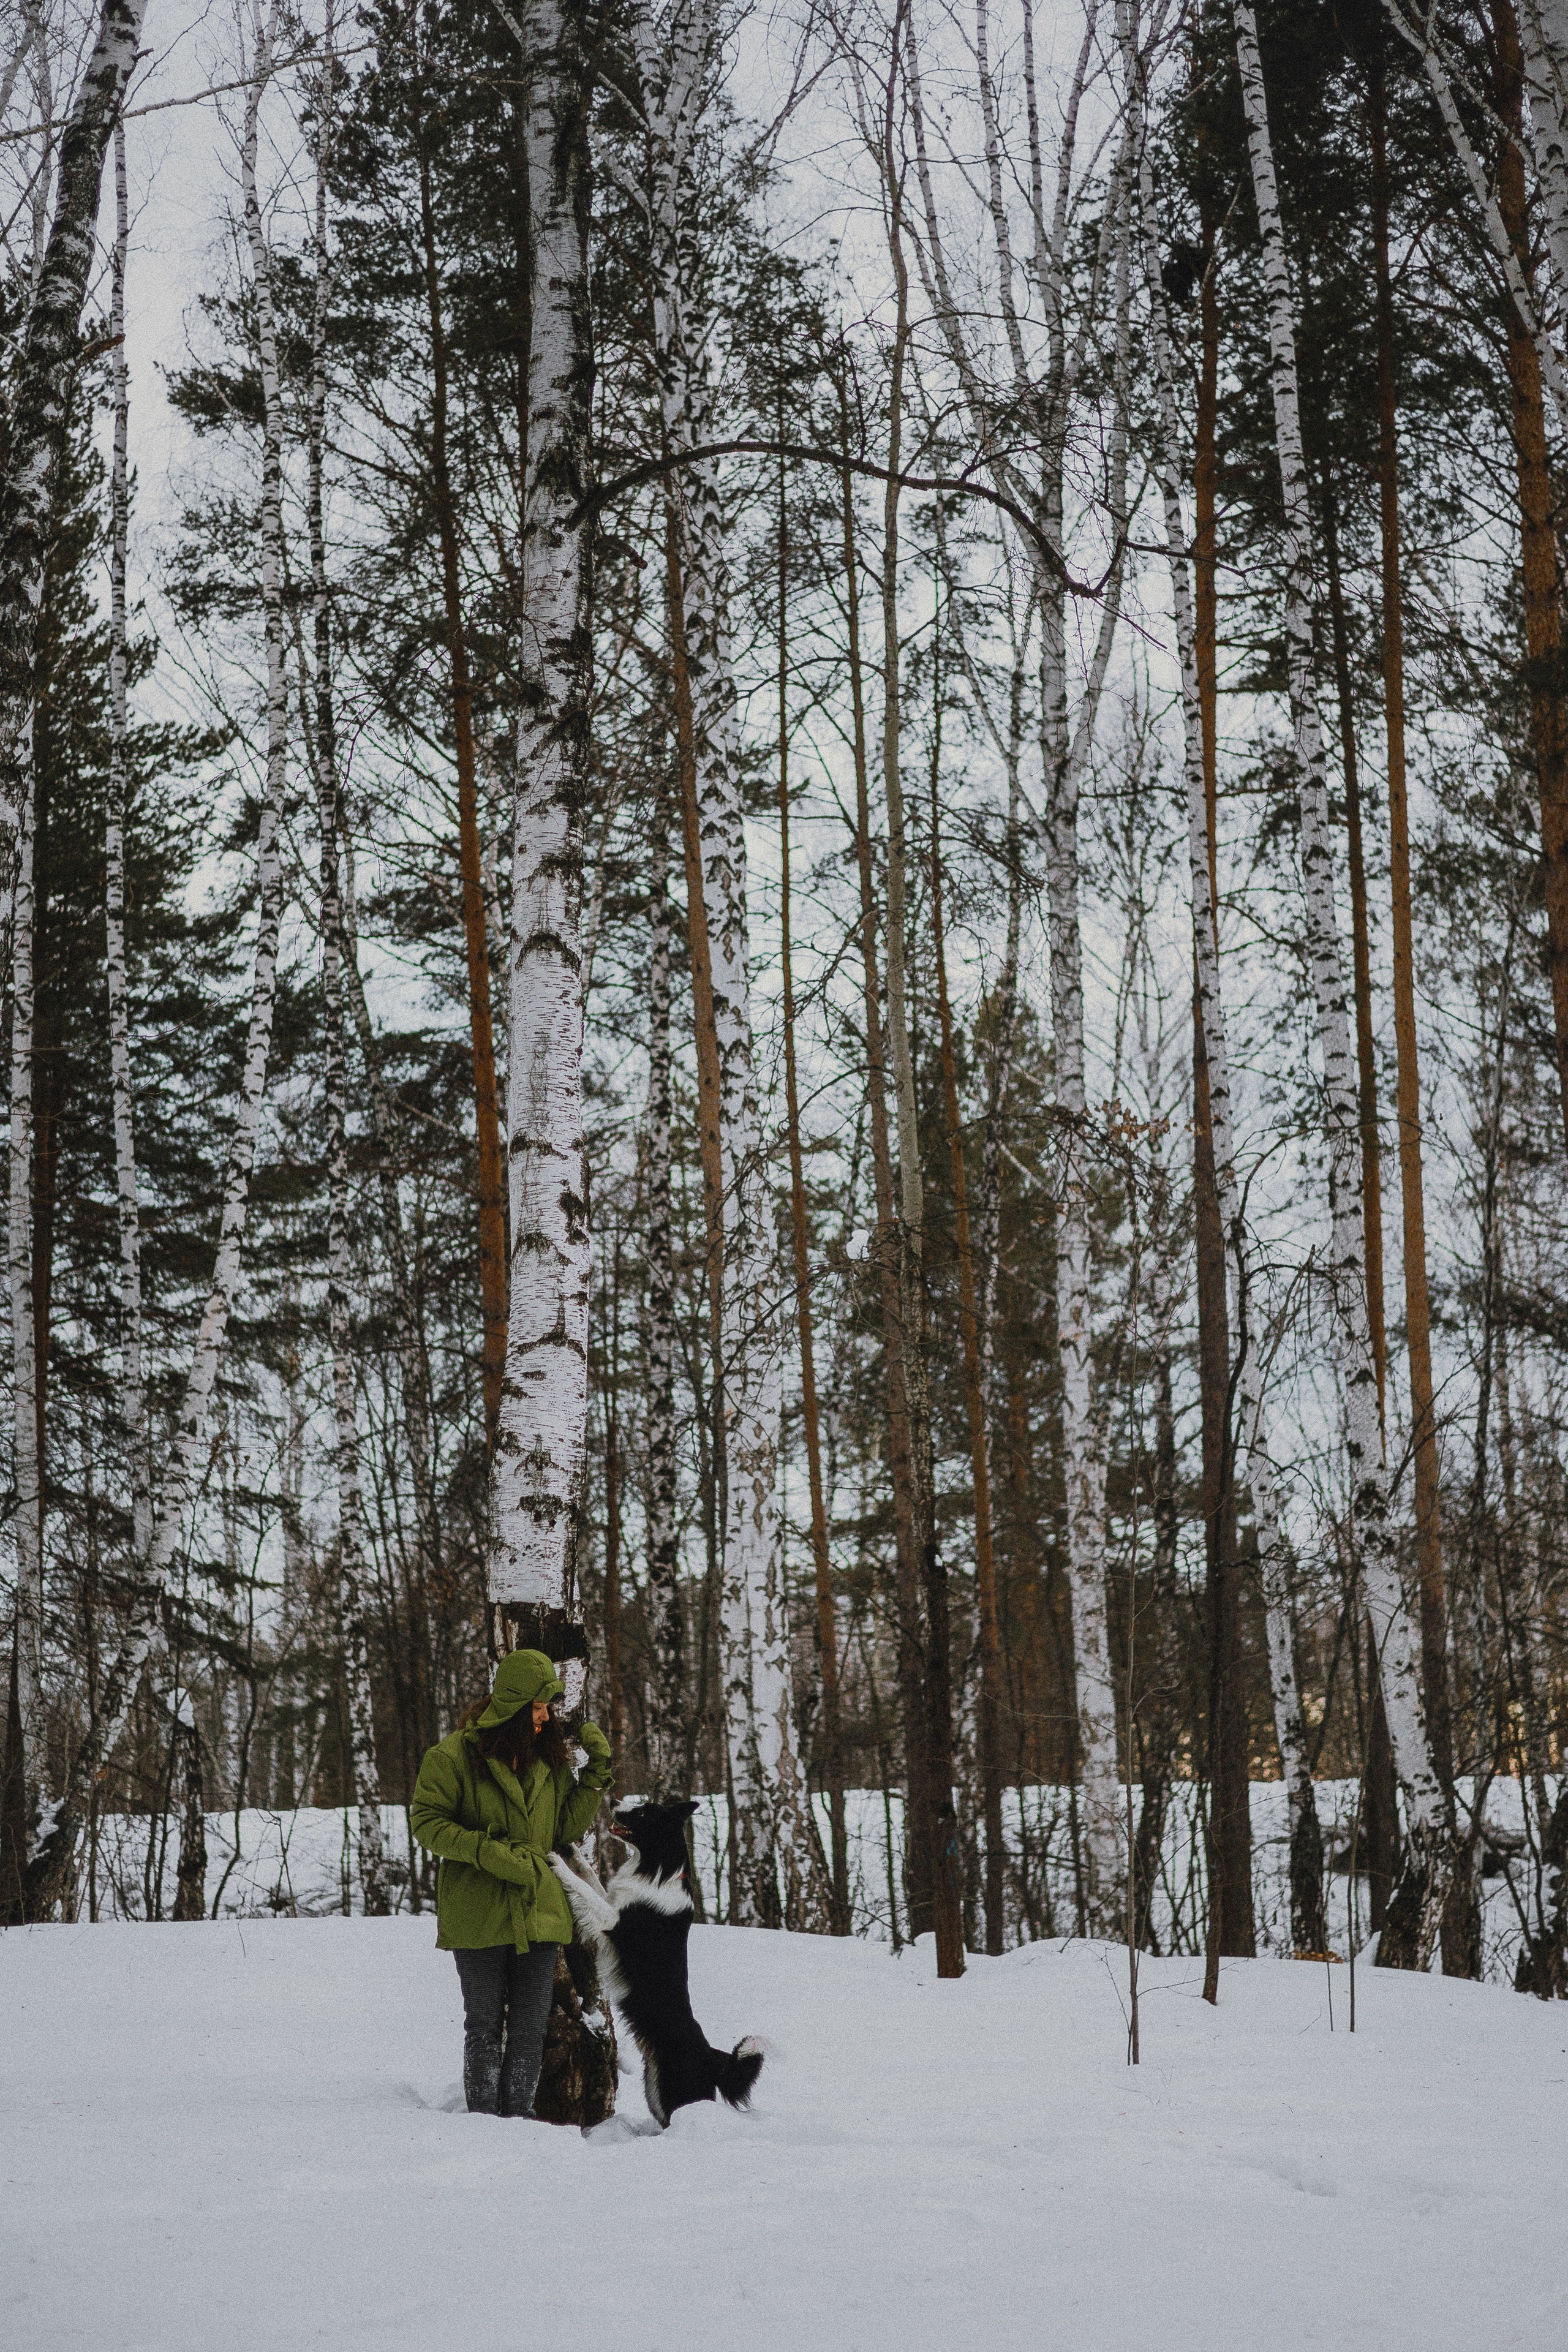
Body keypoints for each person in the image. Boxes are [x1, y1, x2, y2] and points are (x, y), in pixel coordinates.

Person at [410, 1648, 613, 2117]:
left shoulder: (549, 1760)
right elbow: (427, 1823)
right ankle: (482, 2127)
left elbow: (561, 1830)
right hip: (477, 1911)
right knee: (483, 2025)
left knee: (528, 2028)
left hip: (538, 1909)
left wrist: (596, 1777)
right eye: (538, 1709)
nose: (545, 1719)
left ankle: (516, 2123)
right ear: (515, 1705)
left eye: (547, 1709)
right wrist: (489, 1854)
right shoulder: (454, 1756)